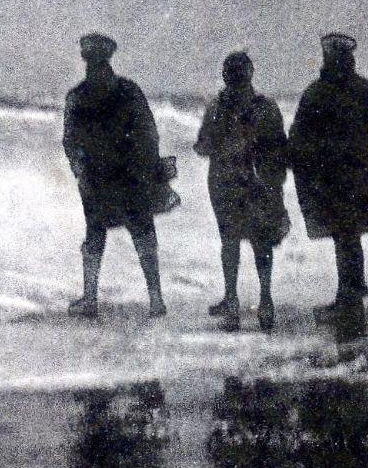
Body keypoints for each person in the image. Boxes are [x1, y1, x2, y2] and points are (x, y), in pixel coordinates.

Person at [61, 33, 170, 318]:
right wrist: (149, 170)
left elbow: (70, 142)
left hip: (99, 179)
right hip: (130, 178)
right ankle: (155, 299)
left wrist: (79, 171)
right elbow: (149, 134)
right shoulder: (129, 90)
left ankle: (91, 300)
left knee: (95, 236)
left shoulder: (78, 96)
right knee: (143, 234)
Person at [288, 32, 368, 320]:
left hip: (332, 181)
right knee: (349, 237)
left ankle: (349, 297)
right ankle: (352, 291)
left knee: (345, 238)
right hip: (361, 180)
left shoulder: (317, 93)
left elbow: (299, 138)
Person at [194, 51, 290, 331]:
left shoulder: (216, 107)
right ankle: (266, 299)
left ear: (226, 75)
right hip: (260, 183)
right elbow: (279, 148)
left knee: (229, 240)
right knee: (262, 242)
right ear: (250, 74)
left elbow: (203, 146)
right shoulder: (267, 107)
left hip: (224, 182)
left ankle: (232, 298)